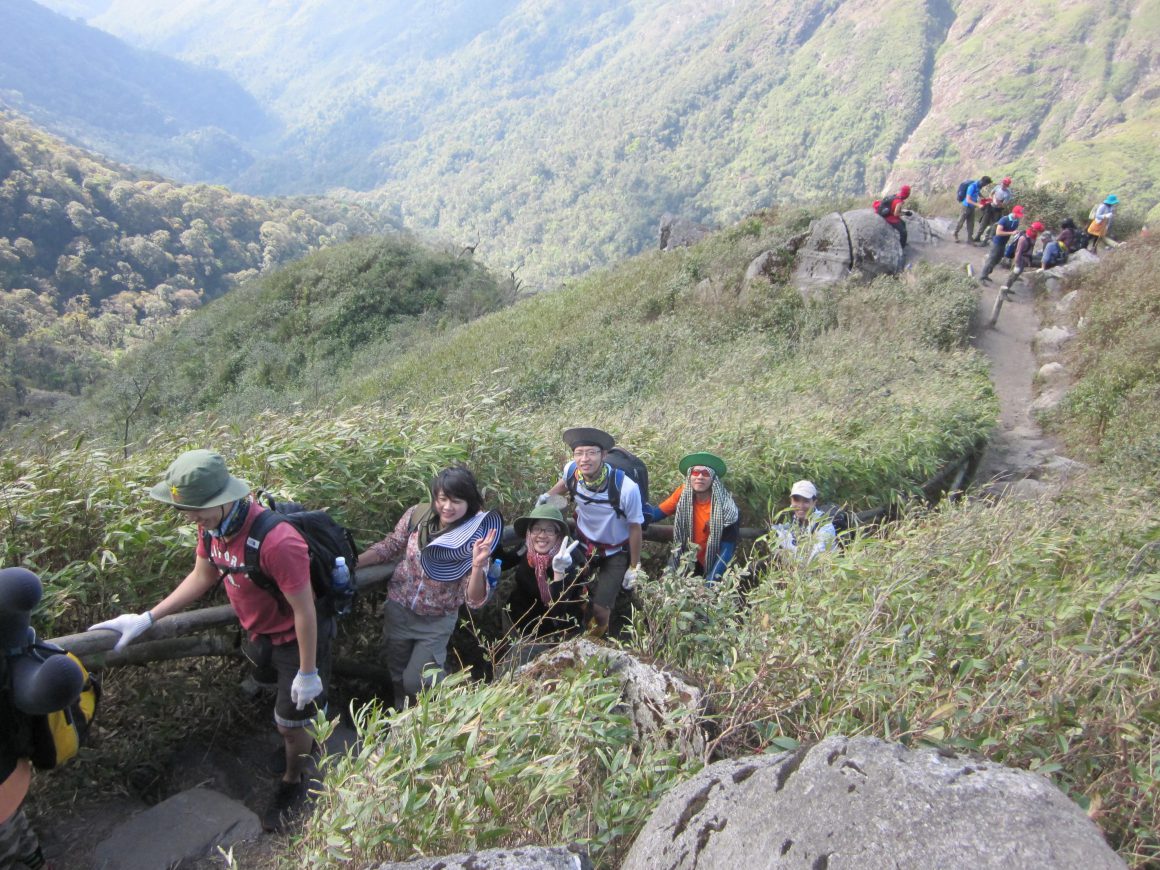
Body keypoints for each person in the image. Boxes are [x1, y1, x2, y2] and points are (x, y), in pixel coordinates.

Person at [87, 449, 331, 833]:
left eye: (198, 510)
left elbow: (305, 611)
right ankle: (298, 741)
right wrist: (149, 617)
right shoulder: (215, 525)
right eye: (186, 511)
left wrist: (308, 670)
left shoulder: (277, 542)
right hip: (260, 633)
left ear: (223, 498)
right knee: (285, 710)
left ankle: (293, 779)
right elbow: (202, 576)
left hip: (296, 640)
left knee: (288, 722)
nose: (191, 518)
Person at [357, 465, 499, 709]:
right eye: (442, 499)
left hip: (436, 621)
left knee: (418, 681)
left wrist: (477, 566)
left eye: (456, 500)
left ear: (470, 502)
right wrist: (354, 563)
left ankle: (435, 714)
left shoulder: (475, 534)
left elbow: (474, 600)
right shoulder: (418, 515)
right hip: (399, 610)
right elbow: (391, 545)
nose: (447, 507)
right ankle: (402, 722)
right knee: (398, 674)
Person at [535, 427, 643, 636]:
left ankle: (594, 639)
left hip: (615, 551)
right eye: (579, 453)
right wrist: (547, 496)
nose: (585, 459)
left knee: (601, 609)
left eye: (591, 452)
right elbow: (564, 484)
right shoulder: (572, 471)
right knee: (568, 591)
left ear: (603, 455)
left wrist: (634, 565)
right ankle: (574, 626)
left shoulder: (626, 487)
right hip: (582, 544)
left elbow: (635, 527)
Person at [643, 452, 740, 583]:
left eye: (705, 473)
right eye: (695, 473)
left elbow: (727, 549)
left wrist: (711, 581)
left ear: (713, 479)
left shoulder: (727, 509)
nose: (700, 477)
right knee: (668, 584)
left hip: (714, 560)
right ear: (689, 476)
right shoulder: (683, 494)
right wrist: (629, 512)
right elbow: (657, 514)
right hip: (685, 554)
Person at [502, 504, 586, 641]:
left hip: (545, 634)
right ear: (529, 532)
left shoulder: (570, 562)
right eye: (536, 528)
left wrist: (559, 572)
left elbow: (558, 612)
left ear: (559, 534)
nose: (542, 535)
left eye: (550, 530)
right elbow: (504, 563)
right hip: (516, 618)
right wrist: (491, 547)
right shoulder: (527, 547)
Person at [771, 480, 836, 562]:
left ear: (814, 502)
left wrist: (786, 556)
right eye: (796, 500)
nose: (800, 506)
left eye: (806, 501)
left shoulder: (825, 527)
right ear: (791, 501)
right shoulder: (790, 524)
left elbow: (813, 562)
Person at [978, 205, 1025, 283]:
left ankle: (986, 274)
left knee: (997, 260)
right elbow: (998, 232)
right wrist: (1011, 233)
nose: (1019, 217)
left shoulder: (1016, 221)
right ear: (1014, 212)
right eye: (1018, 215)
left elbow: (1013, 232)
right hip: (997, 242)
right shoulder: (1004, 219)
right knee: (991, 259)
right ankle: (982, 277)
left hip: (1004, 243)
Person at [1000, 221, 1045, 294]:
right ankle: (1003, 291)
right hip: (1019, 260)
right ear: (1034, 230)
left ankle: (1007, 288)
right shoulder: (1023, 239)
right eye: (1038, 231)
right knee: (1012, 276)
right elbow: (1018, 252)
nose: (1039, 233)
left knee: (1015, 276)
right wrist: (1017, 264)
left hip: (1024, 260)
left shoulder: (1033, 237)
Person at [954, 175, 992, 243]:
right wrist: (978, 205)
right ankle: (955, 234)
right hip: (966, 206)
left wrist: (983, 198)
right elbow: (968, 200)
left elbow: (977, 192)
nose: (985, 186)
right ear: (983, 181)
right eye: (985, 184)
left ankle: (969, 239)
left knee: (971, 223)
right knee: (961, 221)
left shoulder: (979, 186)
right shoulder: (972, 186)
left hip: (972, 207)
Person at [974, 177, 1013, 242]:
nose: (1003, 185)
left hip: (997, 210)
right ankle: (978, 236)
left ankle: (986, 240)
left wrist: (997, 202)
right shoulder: (997, 187)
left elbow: (1004, 204)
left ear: (1007, 186)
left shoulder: (1008, 194)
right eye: (1003, 183)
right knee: (984, 222)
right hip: (990, 207)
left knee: (993, 225)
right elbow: (991, 194)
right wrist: (993, 199)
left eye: (1005, 185)